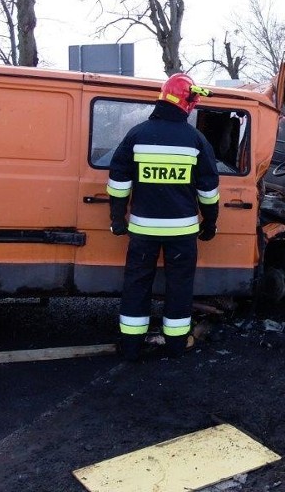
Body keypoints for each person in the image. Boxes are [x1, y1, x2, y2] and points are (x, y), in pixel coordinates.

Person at [106, 73, 221, 361]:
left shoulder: (137, 135)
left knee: (137, 284)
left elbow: (118, 181)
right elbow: (209, 190)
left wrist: (118, 219)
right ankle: (175, 347)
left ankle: (131, 348)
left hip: (143, 230)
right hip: (182, 232)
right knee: (179, 287)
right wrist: (210, 223)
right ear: (187, 102)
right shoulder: (196, 140)